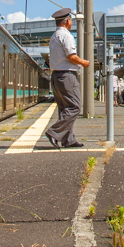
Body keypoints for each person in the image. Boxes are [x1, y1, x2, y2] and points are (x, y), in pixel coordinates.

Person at [44, 8, 89, 148]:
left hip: (56, 76)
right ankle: (54, 132)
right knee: (75, 106)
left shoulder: (53, 36)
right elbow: (71, 56)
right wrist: (83, 62)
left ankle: (68, 140)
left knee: (65, 109)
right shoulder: (67, 36)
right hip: (67, 75)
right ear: (68, 21)